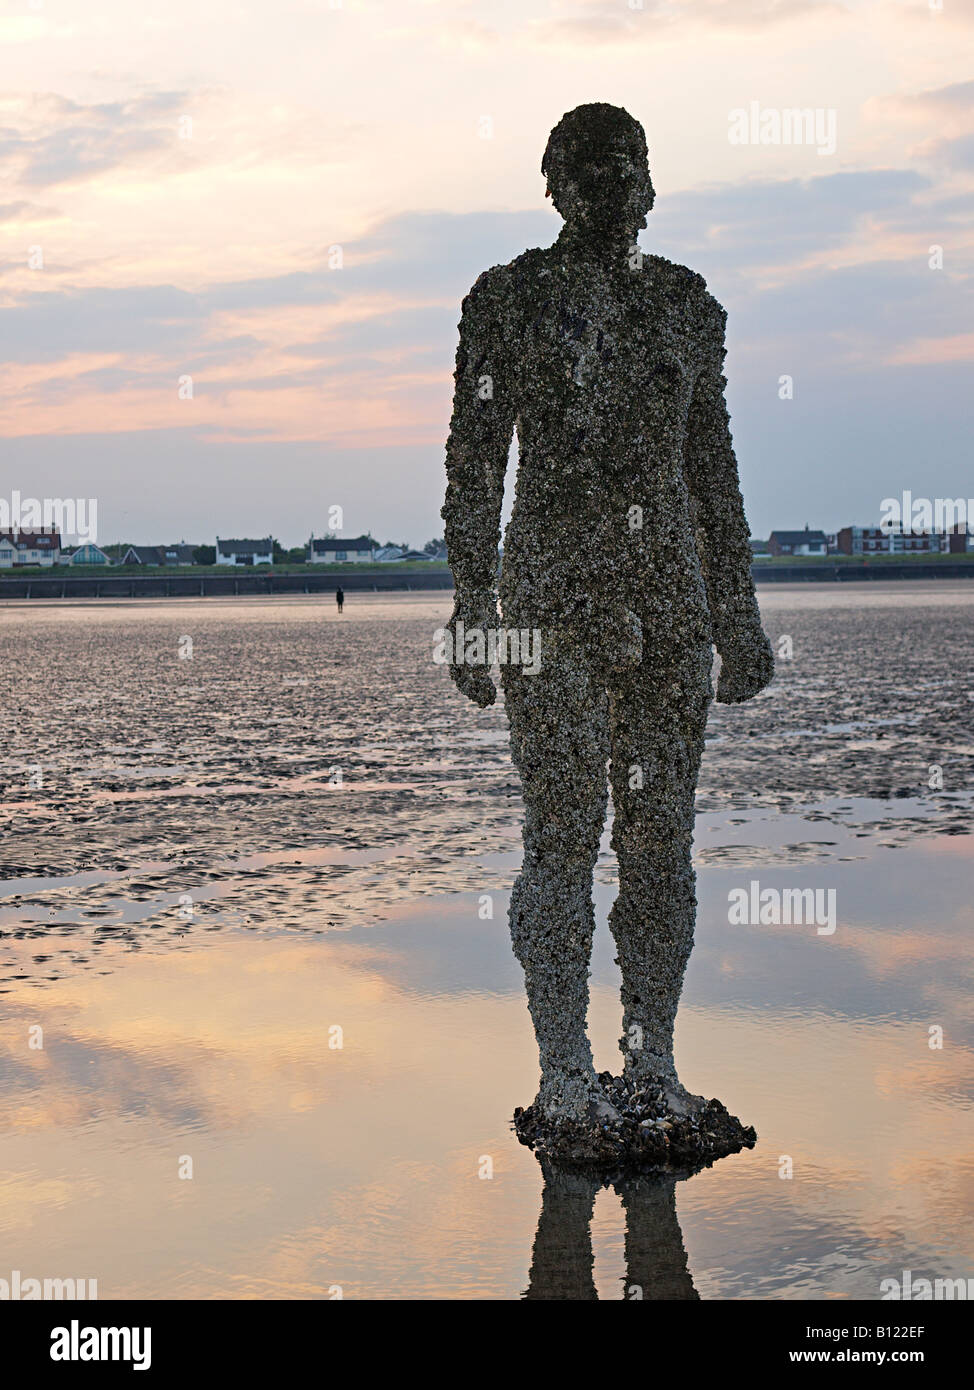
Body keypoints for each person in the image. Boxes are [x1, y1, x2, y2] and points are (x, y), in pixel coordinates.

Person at [441, 103, 774, 1131]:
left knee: (660, 838)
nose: (606, 185)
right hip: (549, 607)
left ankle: (652, 1061)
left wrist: (737, 608)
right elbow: (473, 458)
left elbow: (710, 467)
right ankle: (560, 1069)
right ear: (552, 185)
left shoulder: (684, 306)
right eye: (584, 169)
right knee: (559, 834)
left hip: (669, 608)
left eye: (623, 165)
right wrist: (471, 606)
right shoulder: (510, 300)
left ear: (649, 183)